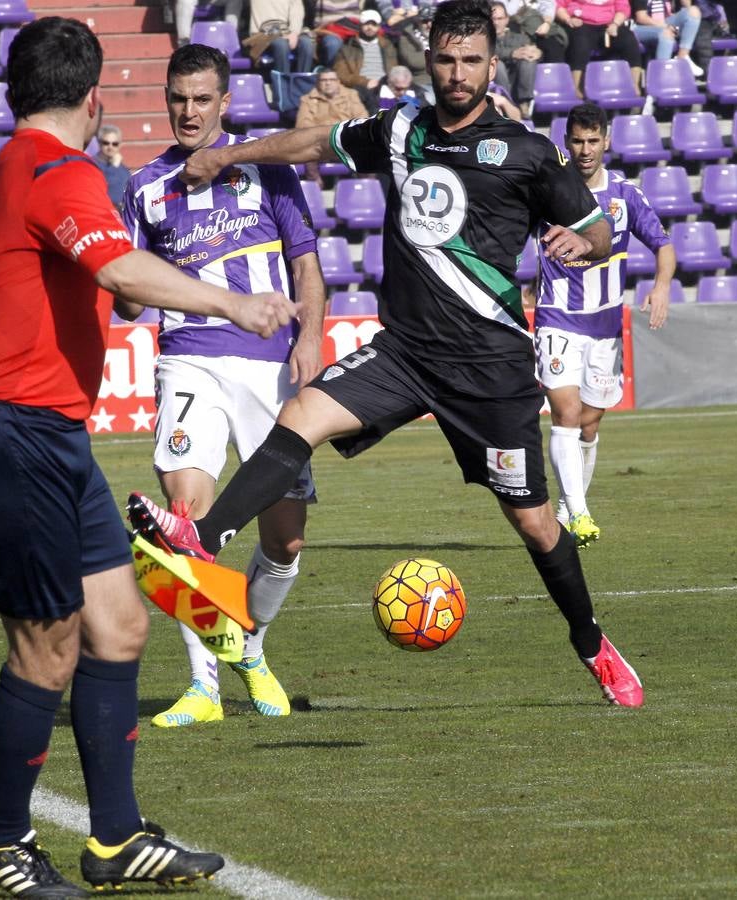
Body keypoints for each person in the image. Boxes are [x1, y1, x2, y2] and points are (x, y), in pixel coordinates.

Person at [129, 0, 646, 710]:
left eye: (471, 61)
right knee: (303, 412)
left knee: (533, 520)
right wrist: (226, 154)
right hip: (404, 353)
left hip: (489, 372)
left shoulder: (528, 150)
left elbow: (601, 231)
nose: (457, 73)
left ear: (492, 66)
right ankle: (201, 538)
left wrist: (580, 242)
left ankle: (590, 641)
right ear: (427, 60)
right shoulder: (400, 128)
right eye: (445, 59)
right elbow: (310, 146)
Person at [0, 17, 296, 897]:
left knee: (121, 625)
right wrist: (234, 303)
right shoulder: (58, 171)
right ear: (96, 97)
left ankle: (115, 839)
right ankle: (1, 842)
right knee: (47, 647)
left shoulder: (7, 171)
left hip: (49, 436)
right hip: (12, 433)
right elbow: (120, 272)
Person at [120, 44, 325, 728]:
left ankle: (252, 646)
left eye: (202, 99)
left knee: (286, 541)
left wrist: (310, 337)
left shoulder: (267, 168)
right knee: (186, 518)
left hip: (268, 365)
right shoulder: (145, 188)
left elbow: (307, 265)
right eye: (179, 98)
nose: (188, 110)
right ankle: (203, 688)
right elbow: (127, 290)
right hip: (188, 359)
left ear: (225, 102)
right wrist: (119, 293)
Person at [532, 102, 673, 545]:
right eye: (577, 140)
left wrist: (662, 285)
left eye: (593, 140)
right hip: (557, 316)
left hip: (606, 326)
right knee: (566, 414)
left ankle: (565, 508)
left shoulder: (625, 195)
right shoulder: (548, 191)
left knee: (589, 424)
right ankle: (581, 512)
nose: (585, 149)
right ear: (566, 142)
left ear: (606, 141)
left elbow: (663, 246)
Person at [295, 67, 367, 183]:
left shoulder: (351, 95)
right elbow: (302, 126)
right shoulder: (307, 100)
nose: (328, 83)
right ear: (318, 83)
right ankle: (315, 188)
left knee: (370, 149)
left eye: (331, 80)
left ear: (338, 82)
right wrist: (325, 135)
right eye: (323, 80)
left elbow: (362, 119)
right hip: (321, 144)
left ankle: (367, 188)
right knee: (307, 148)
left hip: (347, 140)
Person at [556, 0, 643, 95]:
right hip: (580, 22)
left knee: (629, 40)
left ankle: (634, 86)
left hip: (609, 23)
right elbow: (559, 5)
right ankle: (575, 88)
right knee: (580, 43)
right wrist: (568, 19)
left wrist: (615, 24)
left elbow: (622, 8)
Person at [333, 8, 400, 113]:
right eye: (366, 24)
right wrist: (365, 82)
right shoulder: (347, 47)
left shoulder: (387, 45)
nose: (370, 28)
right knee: (373, 107)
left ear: (378, 27)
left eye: (374, 24)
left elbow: (395, 69)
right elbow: (341, 74)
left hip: (385, 84)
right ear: (360, 25)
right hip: (361, 86)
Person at [491, 2, 543, 119]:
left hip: (517, 80)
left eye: (500, 18)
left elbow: (532, 52)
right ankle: (508, 102)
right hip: (495, 80)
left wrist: (537, 53)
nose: (496, 22)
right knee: (497, 64)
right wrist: (512, 53)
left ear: (506, 19)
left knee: (528, 60)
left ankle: (524, 103)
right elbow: (486, 53)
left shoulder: (520, 38)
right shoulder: (483, 39)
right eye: (493, 19)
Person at [630, 0, 703, 75]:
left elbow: (686, 5)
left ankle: (682, 58)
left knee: (694, 11)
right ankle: (662, 76)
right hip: (641, 27)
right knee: (666, 33)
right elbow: (641, 18)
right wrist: (666, 26)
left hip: (664, 22)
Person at [94, 124, 131, 209]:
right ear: (99, 143)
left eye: (115, 144)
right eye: (106, 143)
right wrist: (114, 167)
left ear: (120, 145)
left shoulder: (123, 169)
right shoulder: (92, 165)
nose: (110, 147)